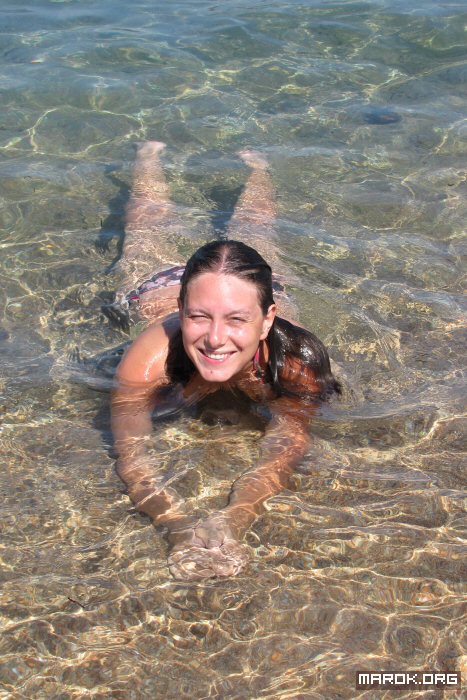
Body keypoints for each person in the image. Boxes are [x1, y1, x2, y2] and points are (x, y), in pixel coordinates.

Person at [110, 142, 340, 581]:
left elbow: (286, 447)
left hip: (248, 286)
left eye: (236, 321)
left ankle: (257, 167)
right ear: (181, 310)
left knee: (257, 228)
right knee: (146, 224)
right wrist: (176, 527)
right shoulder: (148, 360)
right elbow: (133, 457)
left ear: (267, 318)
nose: (215, 339)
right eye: (198, 318)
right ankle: (149, 155)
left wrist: (235, 519)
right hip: (155, 287)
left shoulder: (298, 361)